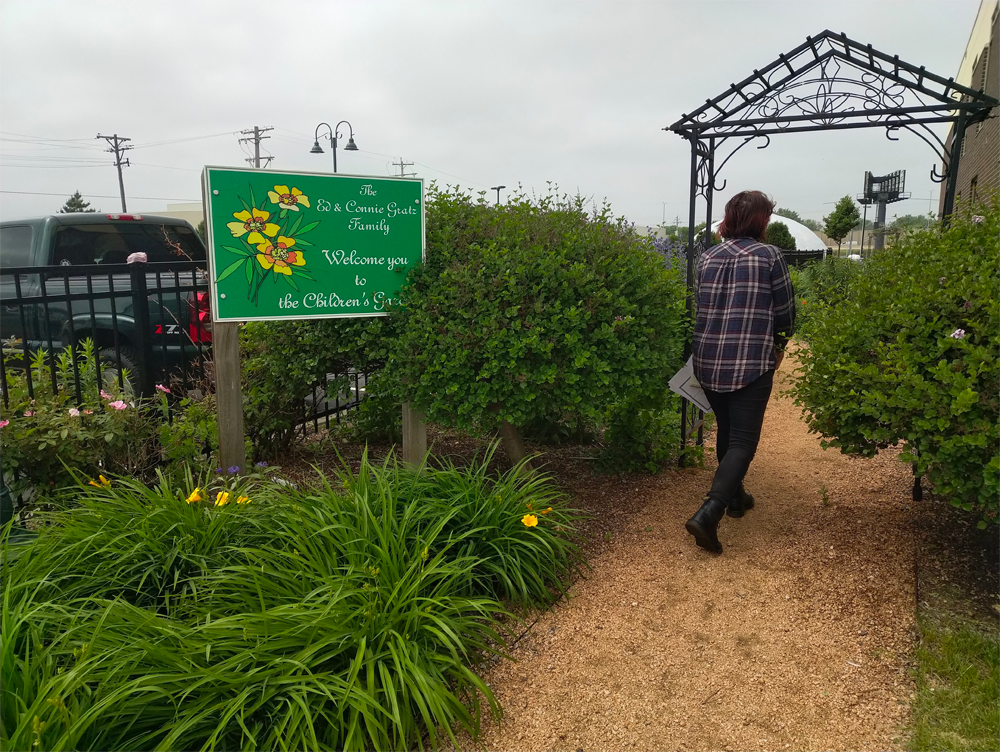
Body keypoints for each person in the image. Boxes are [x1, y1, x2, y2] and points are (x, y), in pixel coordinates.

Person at [684, 190, 795, 554]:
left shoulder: (708, 257)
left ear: (730, 218)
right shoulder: (770, 256)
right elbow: (786, 312)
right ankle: (709, 512)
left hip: (709, 360)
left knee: (728, 433)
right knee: (743, 442)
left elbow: (700, 306)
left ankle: (736, 498)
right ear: (761, 220)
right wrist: (780, 347)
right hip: (750, 361)